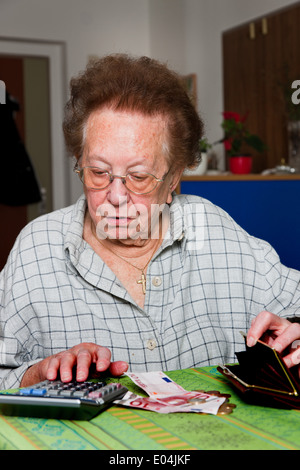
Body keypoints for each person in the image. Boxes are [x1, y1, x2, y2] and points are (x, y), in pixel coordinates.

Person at [0, 54, 299, 390]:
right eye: (98, 172)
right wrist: (39, 374)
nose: (115, 195)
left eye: (139, 176)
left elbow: (294, 303)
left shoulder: (210, 227)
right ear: (79, 161)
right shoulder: (37, 247)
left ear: (173, 178)